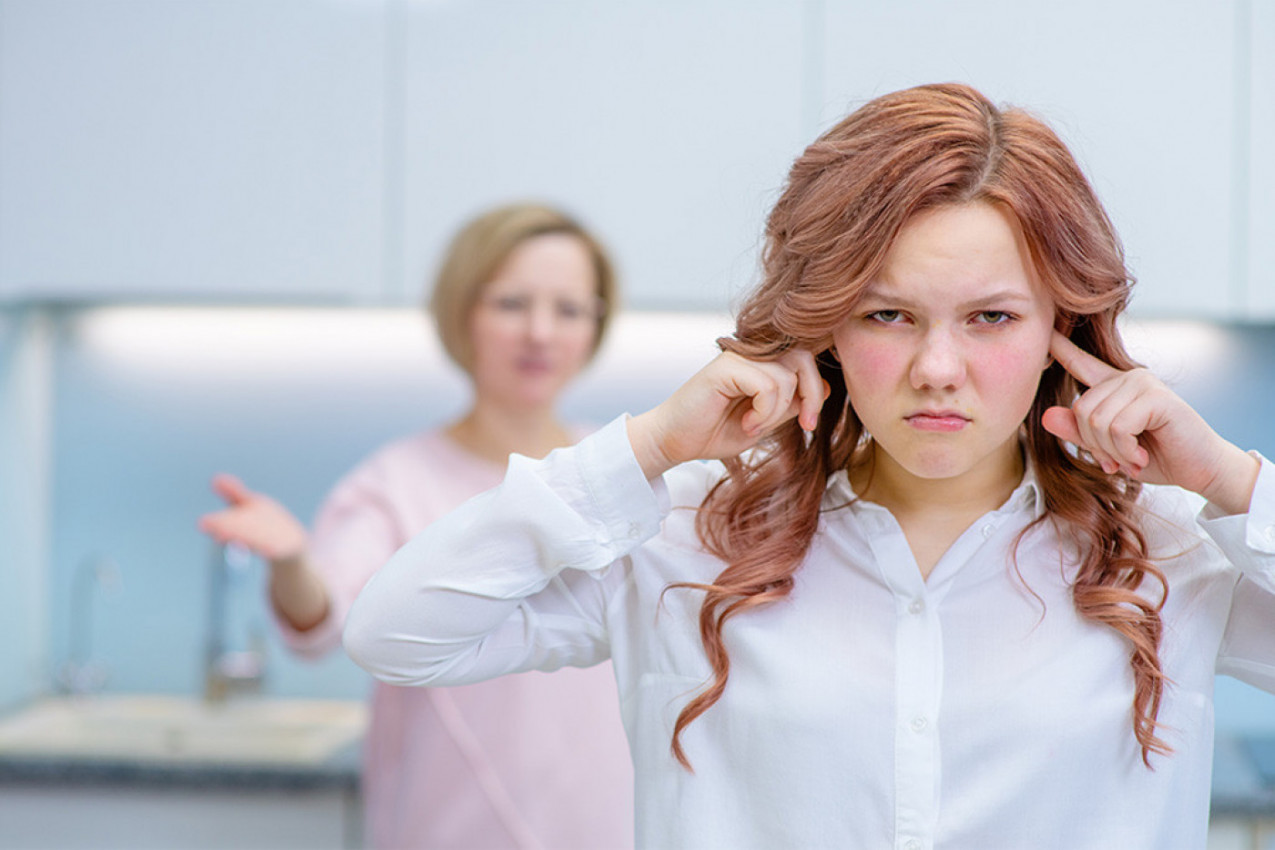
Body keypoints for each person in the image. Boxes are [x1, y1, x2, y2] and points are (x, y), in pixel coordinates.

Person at [342, 84, 1275, 849]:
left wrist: (1233, 483)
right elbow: (397, 632)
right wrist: (653, 444)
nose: (935, 369)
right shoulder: (684, 536)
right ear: (824, 326)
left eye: (990, 317)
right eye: (886, 315)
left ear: (1057, 334)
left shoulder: (1166, 556)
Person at [198, 203, 634, 850]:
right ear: (462, 313)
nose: (541, 332)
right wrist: (293, 564)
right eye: (512, 303)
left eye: (569, 310)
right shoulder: (393, 484)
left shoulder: (622, 473)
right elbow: (326, 625)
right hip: (444, 827)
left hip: (606, 824)